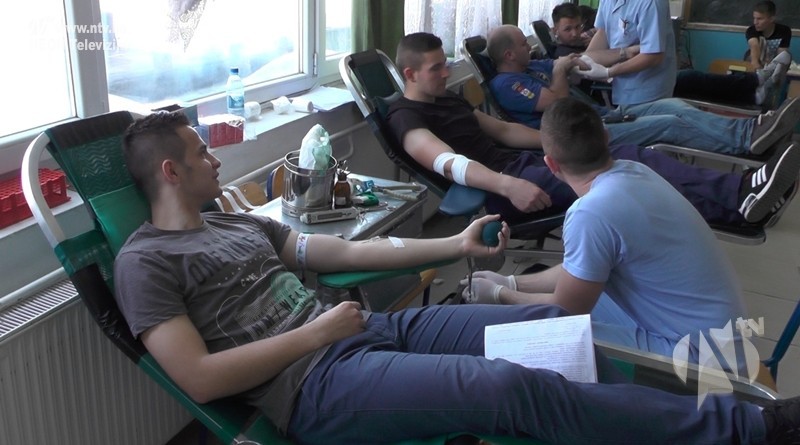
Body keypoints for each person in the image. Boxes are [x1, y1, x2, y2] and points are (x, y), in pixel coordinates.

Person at [113, 111, 800, 445]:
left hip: (369, 331)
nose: (215, 161)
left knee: (549, 326)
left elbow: (340, 254)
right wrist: (316, 333)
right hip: (313, 385)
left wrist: (454, 247)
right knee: (503, 386)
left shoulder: (238, 225)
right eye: (202, 153)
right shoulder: (144, 262)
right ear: (170, 172)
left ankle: (643, 423)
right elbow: (199, 378)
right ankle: (744, 430)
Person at [460, 97, 799, 360]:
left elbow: (565, 310)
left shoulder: (590, 213)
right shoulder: (635, 171)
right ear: (606, 138)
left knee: (536, 333)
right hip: (722, 338)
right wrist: (512, 281)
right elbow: (584, 268)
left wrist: (501, 296)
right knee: (581, 296)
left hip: (698, 360)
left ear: (550, 164)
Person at [388, 32, 799, 228]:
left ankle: (740, 197)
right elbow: (448, 163)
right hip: (507, 188)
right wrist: (507, 185)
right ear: (410, 74)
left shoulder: (449, 100)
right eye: (436, 68)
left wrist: (561, 143)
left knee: (630, 161)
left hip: (526, 163)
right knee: (628, 170)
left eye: (445, 65)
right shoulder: (406, 118)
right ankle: (738, 196)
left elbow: (505, 131)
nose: (446, 73)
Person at [487, 23, 800, 155]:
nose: (529, 46)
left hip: (603, 115)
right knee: (670, 124)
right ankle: (745, 141)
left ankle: (750, 129)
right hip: (583, 134)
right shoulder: (507, 84)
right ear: (509, 55)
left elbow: (582, 60)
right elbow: (558, 102)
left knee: (673, 106)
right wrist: (559, 70)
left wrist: (625, 53)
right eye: (523, 44)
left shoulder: (532, 66)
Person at [549, 2, 790, 107]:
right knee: (693, 85)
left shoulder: (650, 2)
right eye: (568, 29)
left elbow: (652, 56)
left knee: (682, 111)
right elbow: (601, 37)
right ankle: (754, 88)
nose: (575, 33)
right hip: (621, 88)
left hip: (650, 86)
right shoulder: (564, 53)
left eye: (577, 27)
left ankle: (753, 97)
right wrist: (617, 55)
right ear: (555, 31)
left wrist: (608, 66)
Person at [747, 0, 792, 70]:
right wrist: (759, 70)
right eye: (754, 18)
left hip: (773, 67)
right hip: (755, 66)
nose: (755, 22)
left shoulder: (784, 31)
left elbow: (781, 56)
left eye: (759, 19)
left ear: (771, 19)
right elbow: (754, 46)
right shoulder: (752, 30)